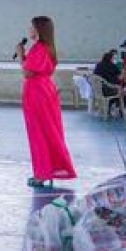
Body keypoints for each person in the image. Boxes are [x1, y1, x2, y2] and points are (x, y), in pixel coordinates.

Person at [16, 16, 77, 187]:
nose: (29, 29)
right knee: (49, 131)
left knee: (38, 134)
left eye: (32, 27)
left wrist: (21, 55)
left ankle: (42, 173)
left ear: (39, 30)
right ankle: (48, 170)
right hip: (45, 91)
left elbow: (27, 72)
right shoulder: (47, 48)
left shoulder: (39, 48)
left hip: (37, 93)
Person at [93, 50, 123, 117]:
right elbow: (120, 75)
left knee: (117, 90)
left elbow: (95, 74)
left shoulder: (98, 65)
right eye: (113, 58)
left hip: (99, 90)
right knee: (121, 92)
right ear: (110, 58)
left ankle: (108, 109)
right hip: (108, 90)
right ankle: (120, 110)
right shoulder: (112, 66)